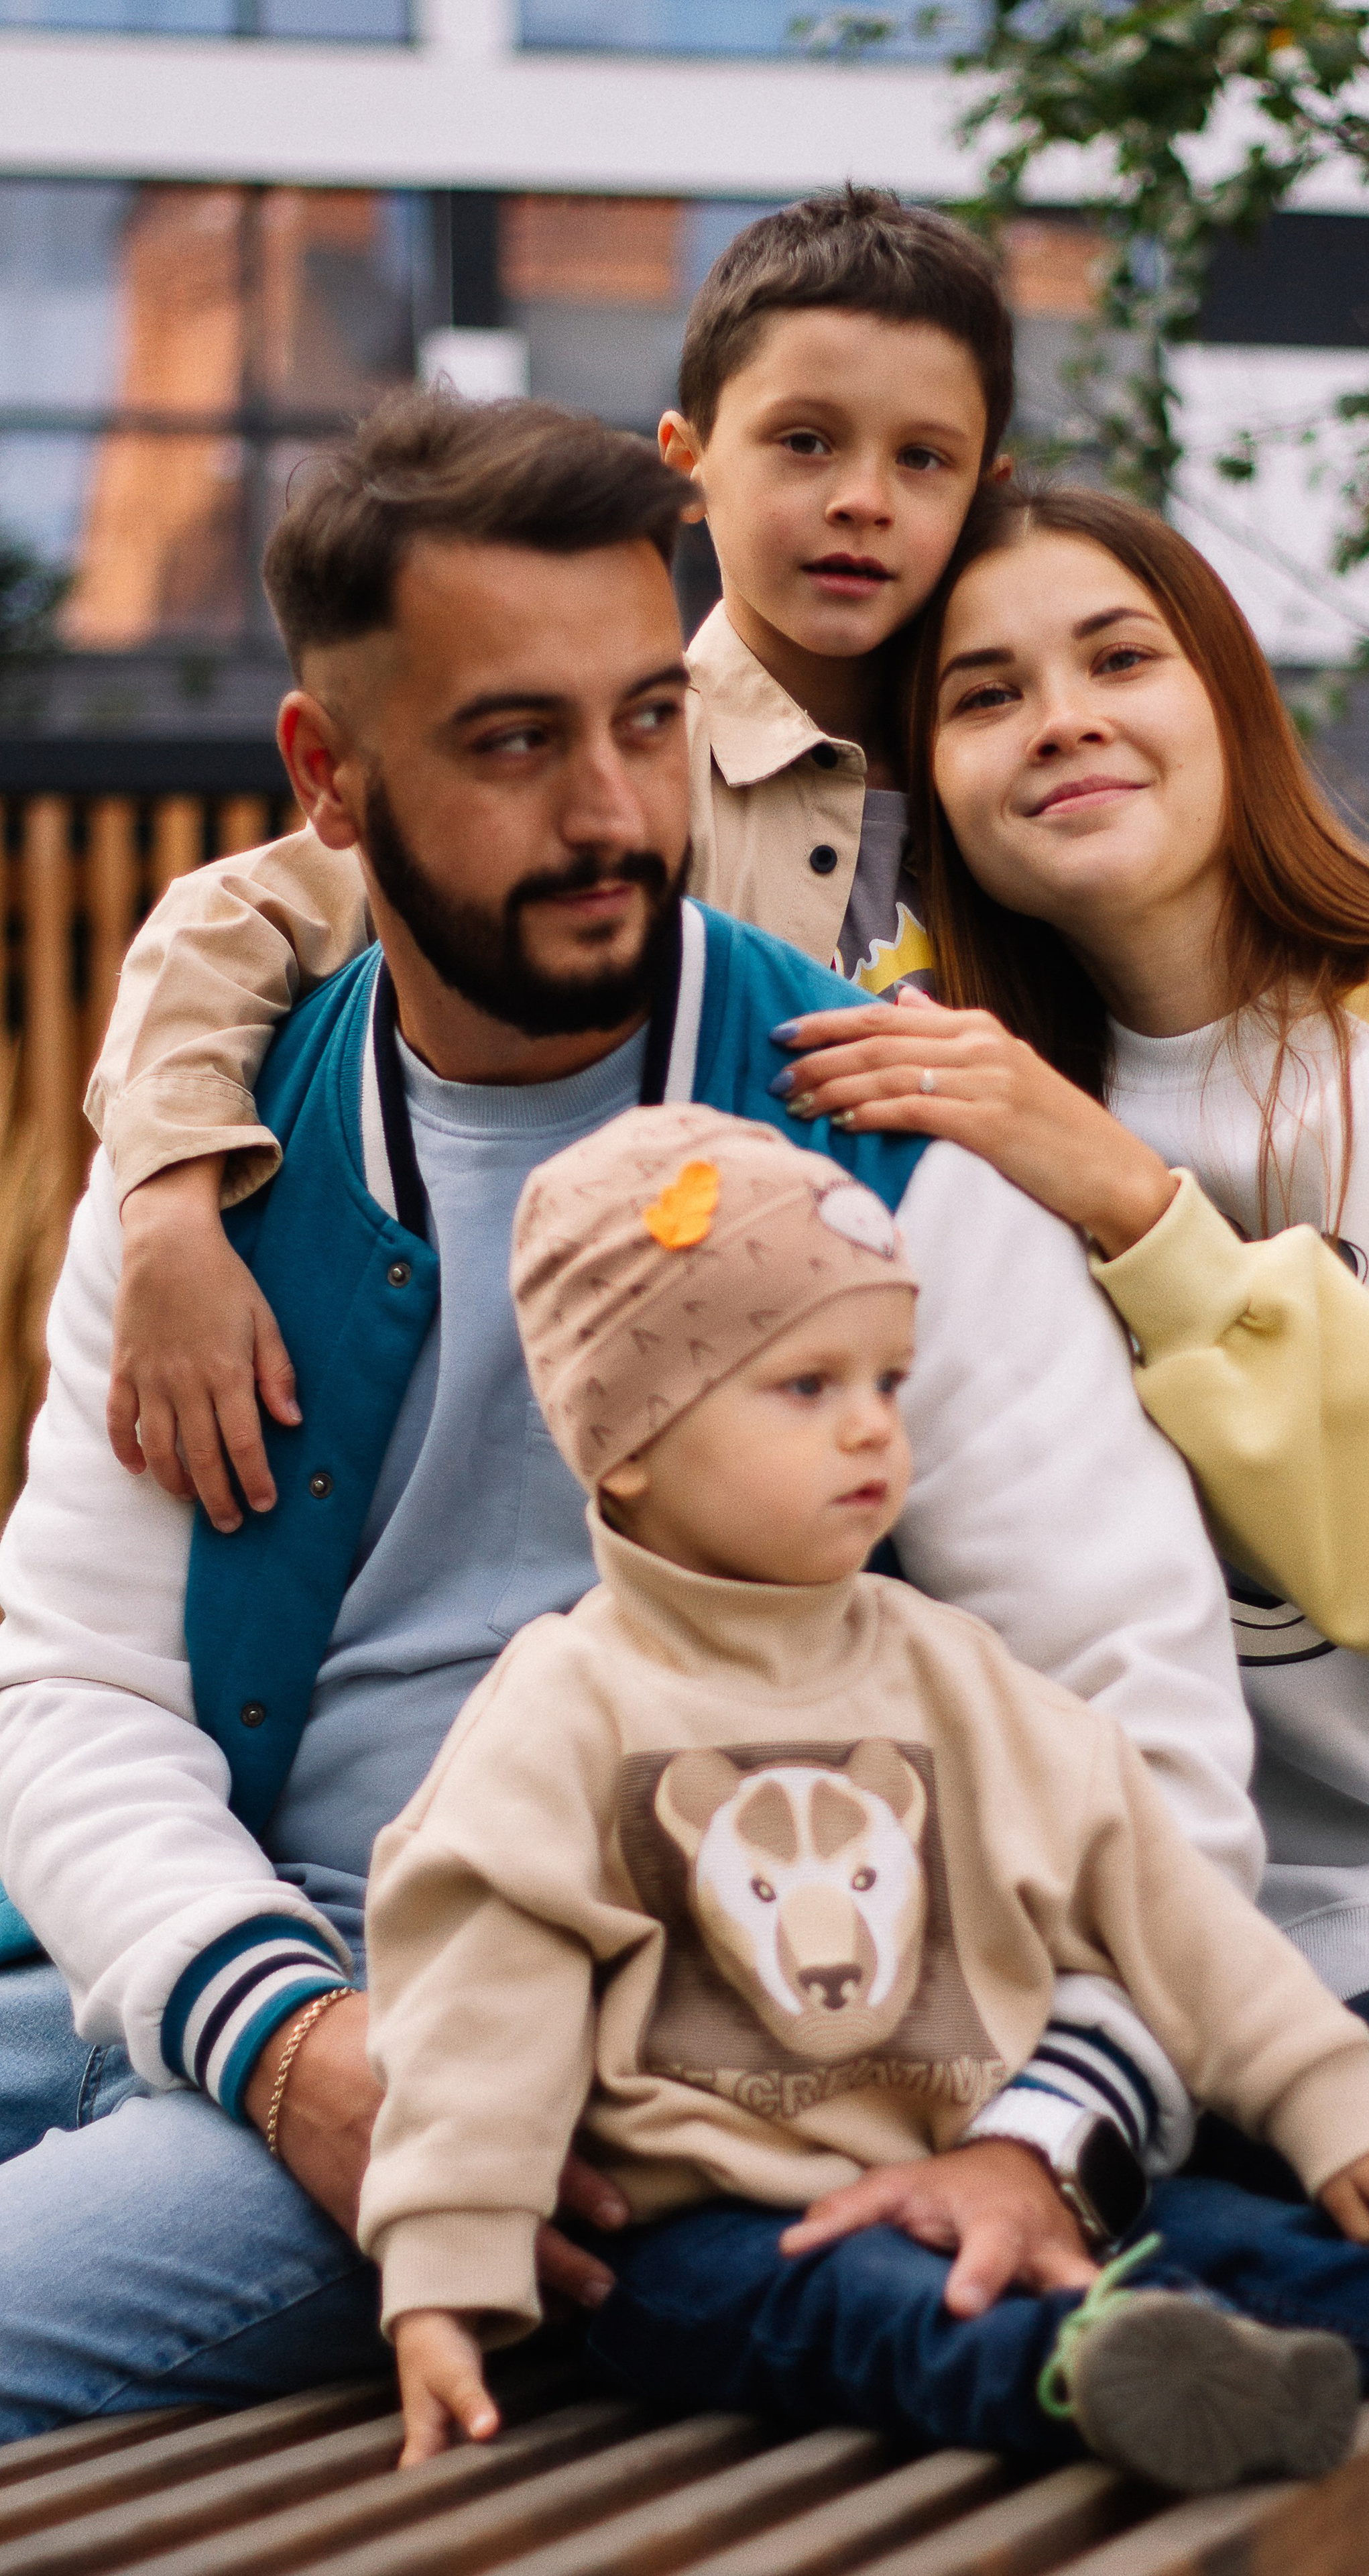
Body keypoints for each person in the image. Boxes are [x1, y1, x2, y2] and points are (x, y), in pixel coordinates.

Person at [0, 402, 1255, 2435]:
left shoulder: (887, 1135)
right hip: (213, 1976)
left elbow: (1139, 1707)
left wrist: (1048, 2133)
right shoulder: (208, 1178)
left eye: (649, 720)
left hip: (586, 2044)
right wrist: (285, 2036)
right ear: (331, 777)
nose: (614, 812)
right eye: (515, 742)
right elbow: (77, 1689)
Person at [764, 478, 1369, 2576]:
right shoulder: (945, 1121)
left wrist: (1125, 1198)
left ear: (1232, 700)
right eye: (985, 693)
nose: (1065, 719)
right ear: (924, 783)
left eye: (1121, 656)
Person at [362, 1101, 1369, 2523]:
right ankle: (1097, 2368)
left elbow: (1160, 1897)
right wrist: (442, 2273)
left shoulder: (946, 1671)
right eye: (804, 1387)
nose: (871, 1425)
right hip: (705, 2222)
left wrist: (1328, 2100)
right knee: (832, 2303)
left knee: (1253, 2241)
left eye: (888, 1377)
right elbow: (477, 1997)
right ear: (624, 1443)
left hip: (993, 2166)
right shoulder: (569, 1704)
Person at [86, 185, 998, 1553]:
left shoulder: (1007, 779)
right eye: (803, 442)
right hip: (665, 1440)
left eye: (922, 459)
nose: (861, 501)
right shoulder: (618, 771)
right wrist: (163, 1210)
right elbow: (234, 916)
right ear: (686, 466)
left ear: (983, 487)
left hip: (948, 1417)